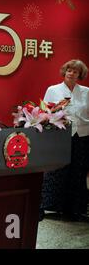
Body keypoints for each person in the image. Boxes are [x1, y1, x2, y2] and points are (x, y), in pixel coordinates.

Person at [40, 59, 89, 221]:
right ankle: (51, 206)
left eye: (75, 71)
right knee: (57, 170)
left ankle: (75, 207)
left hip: (81, 134)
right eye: (69, 70)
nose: (71, 73)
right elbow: (45, 111)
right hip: (59, 133)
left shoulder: (86, 92)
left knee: (78, 170)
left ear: (80, 75)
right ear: (64, 71)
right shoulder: (53, 90)